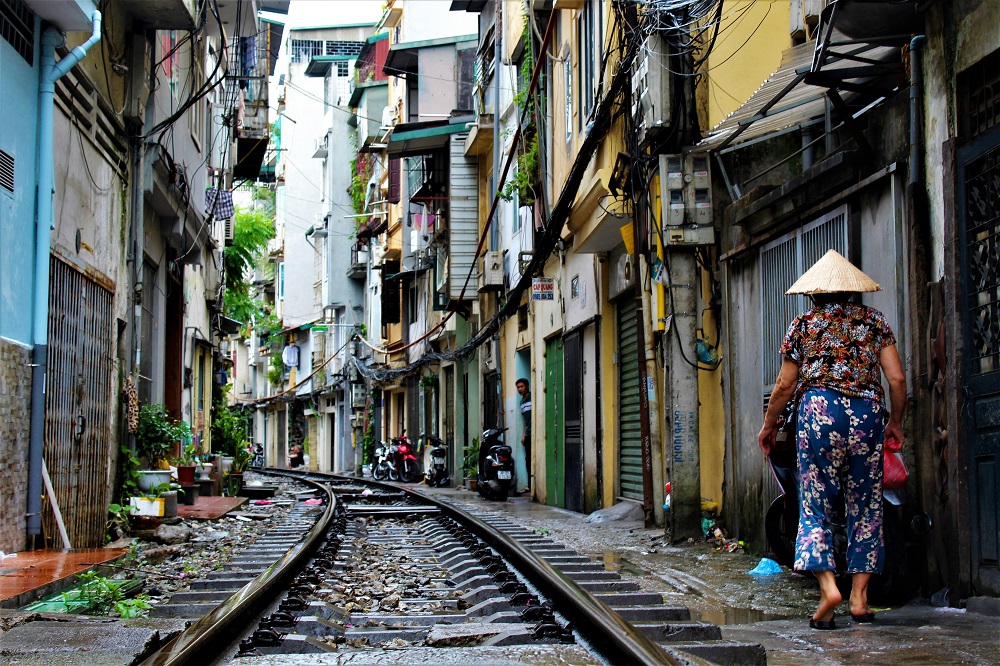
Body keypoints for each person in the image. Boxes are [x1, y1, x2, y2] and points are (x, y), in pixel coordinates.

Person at [757, 249, 906, 630]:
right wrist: (896, 424)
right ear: (853, 292)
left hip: (820, 415)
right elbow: (897, 380)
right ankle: (859, 598)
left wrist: (769, 425)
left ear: (815, 293)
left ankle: (828, 589)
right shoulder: (874, 322)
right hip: (867, 416)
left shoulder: (804, 325)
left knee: (815, 501)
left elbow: (785, 384)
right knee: (866, 503)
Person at [515, 377, 532, 494]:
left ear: (527, 387)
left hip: (535, 433)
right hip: (528, 433)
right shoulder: (522, 402)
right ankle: (529, 485)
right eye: (518, 387)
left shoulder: (533, 397)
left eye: (521, 386)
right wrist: (523, 435)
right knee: (528, 460)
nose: (519, 389)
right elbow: (525, 420)